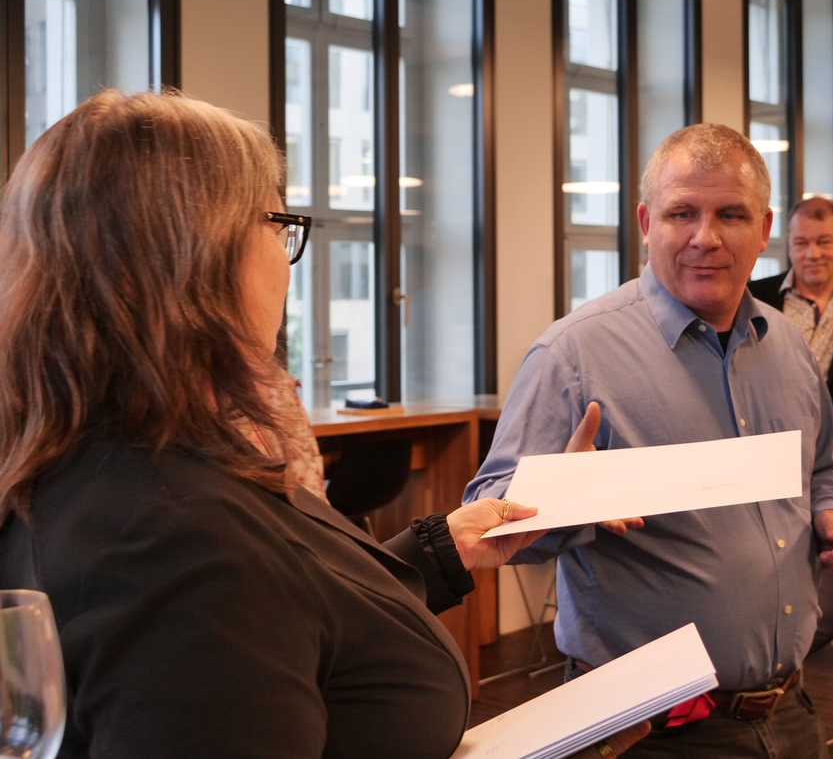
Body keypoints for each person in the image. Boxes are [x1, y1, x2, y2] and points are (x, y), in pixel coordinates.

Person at [0, 91, 646, 759]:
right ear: (198, 259)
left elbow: (286, 613)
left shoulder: (111, 468)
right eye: (276, 225)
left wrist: (442, 549)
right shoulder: (174, 538)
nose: (285, 261)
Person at [466, 122, 833, 759]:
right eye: (681, 213)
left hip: (788, 710)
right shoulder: (573, 355)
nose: (705, 237)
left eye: (731, 214)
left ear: (764, 229)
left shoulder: (788, 346)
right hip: (648, 733)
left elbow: (822, 465)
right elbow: (484, 520)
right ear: (645, 222)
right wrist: (565, 500)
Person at [747, 197, 833, 641]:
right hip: (757, 466)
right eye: (801, 243)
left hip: (829, 465)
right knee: (759, 592)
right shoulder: (753, 297)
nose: (812, 254)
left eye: (824, 242)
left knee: (826, 615)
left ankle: (791, 660)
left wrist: (812, 421)